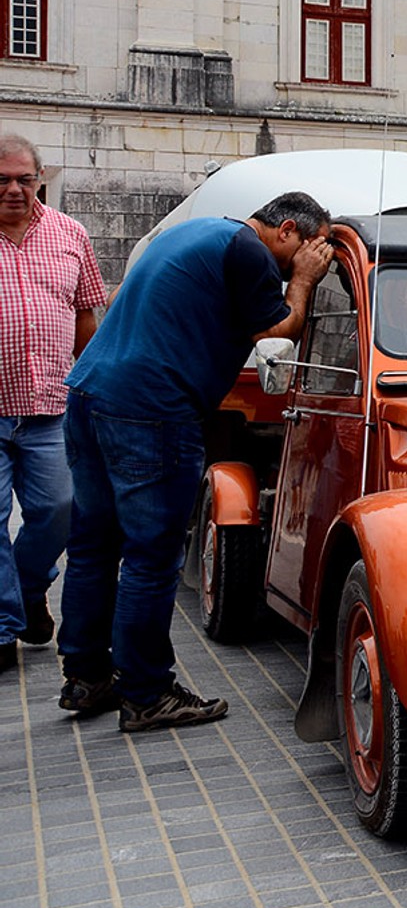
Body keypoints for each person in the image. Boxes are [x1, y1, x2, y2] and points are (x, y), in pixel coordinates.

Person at [57, 191, 332, 731]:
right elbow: (276, 331)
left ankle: (87, 677)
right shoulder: (251, 252)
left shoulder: (198, 231)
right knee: (151, 555)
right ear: (289, 231)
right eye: (312, 246)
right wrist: (300, 283)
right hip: (151, 409)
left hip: (90, 393)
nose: (311, 258)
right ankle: (147, 691)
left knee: (94, 543)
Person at [0, 136, 106, 676]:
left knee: (59, 512)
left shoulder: (71, 234)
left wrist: (88, 389)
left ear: (41, 177)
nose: (15, 190)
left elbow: (89, 315)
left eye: (25, 178)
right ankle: (1, 629)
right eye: (3, 180)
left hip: (50, 405)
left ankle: (26, 589)